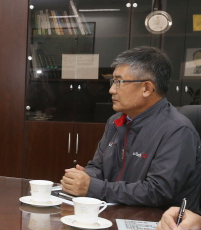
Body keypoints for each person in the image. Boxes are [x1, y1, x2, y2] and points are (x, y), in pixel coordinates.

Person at [61, 46, 201, 209]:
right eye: (113, 82)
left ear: (147, 88)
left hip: (158, 224)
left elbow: (158, 192)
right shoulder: (116, 121)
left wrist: (92, 187)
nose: (111, 89)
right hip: (115, 210)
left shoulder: (177, 130)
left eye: (119, 82)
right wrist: (82, 178)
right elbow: (98, 166)